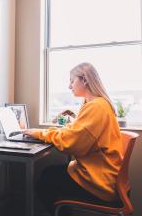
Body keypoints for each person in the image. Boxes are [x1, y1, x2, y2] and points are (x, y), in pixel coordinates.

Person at [24, 62, 123, 215]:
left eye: (72, 81)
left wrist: (39, 133)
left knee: (44, 181)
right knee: (48, 174)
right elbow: (77, 133)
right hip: (102, 175)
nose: (69, 86)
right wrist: (49, 131)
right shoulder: (96, 104)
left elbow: (72, 143)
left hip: (99, 181)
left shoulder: (96, 107)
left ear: (85, 80)